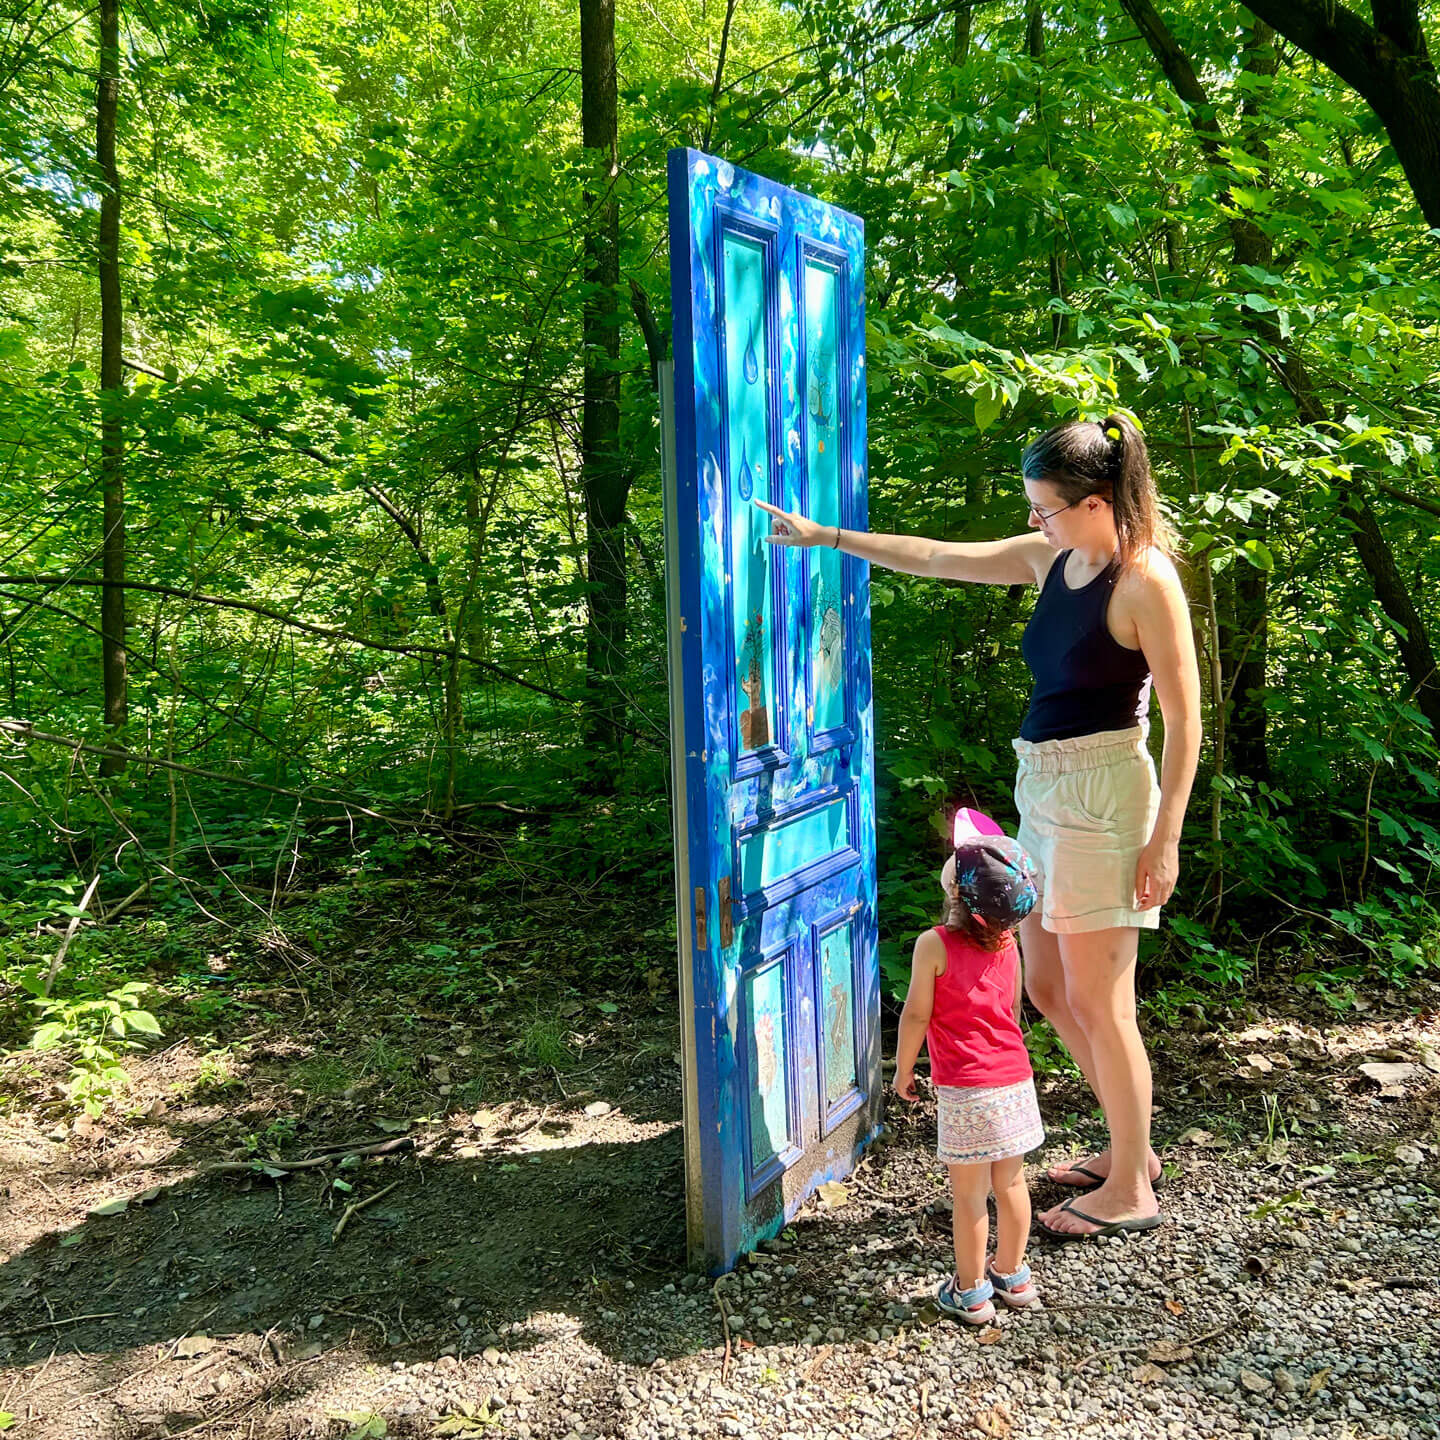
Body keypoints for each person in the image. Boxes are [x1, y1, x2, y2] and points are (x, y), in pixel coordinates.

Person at [757, 414, 1202, 1239]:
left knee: (1105, 1005)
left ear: (1099, 501)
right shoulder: (1052, 558)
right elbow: (936, 556)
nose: (1035, 522)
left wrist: (1164, 836)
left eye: (1047, 508)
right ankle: (1127, 1149)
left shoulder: (1147, 583)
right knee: (1043, 988)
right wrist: (826, 537)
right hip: (1044, 792)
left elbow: (1186, 723)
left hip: (1109, 797)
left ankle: (1133, 1189)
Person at [894, 832, 1045, 1323]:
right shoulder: (1009, 943)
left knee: (968, 1196)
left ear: (956, 892)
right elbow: (1012, 1006)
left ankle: (972, 1290)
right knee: (1013, 1183)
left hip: (968, 1089)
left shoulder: (932, 944)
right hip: (1015, 1082)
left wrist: (903, 1068)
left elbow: (917, 1015)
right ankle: (1013, 1274)